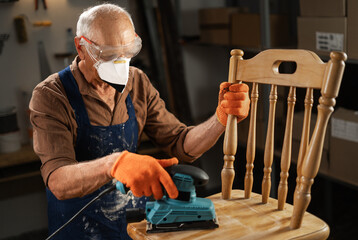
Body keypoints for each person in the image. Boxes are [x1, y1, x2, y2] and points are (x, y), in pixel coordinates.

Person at [29, 3, 250, 240]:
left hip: (134, 225)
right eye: (109, 55)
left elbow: (180, 143)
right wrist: (113, 164)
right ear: (81, 48)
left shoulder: (137, 82)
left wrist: (220, 119)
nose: (120, 65)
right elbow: (58, 180)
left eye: (126, 54)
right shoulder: (51, 96)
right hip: (78, 231)